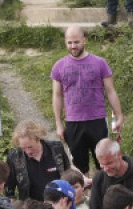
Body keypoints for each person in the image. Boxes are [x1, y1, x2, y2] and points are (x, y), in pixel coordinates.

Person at [51, 26, 124, 175]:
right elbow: (57, 96)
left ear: (85, 40)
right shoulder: (59, 66)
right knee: (79, 168)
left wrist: (120, 116)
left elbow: (110, 91)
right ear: (65, 42)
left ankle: (102, 188)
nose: (73, 46)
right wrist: (58, 124)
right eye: (69, 42)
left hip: (97, 120)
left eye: (76, 42)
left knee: (104, 163)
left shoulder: (100, 63)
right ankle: (85, 189)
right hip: (73, 123)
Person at [5, 120, 71, 201]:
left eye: (30, 147)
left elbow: (68, 173)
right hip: (30, 205)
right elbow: (9, 189)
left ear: (38, 139)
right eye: (23, 148)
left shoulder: (56, 149)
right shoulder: (14, 157)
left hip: (58, 202)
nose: (28, 152)